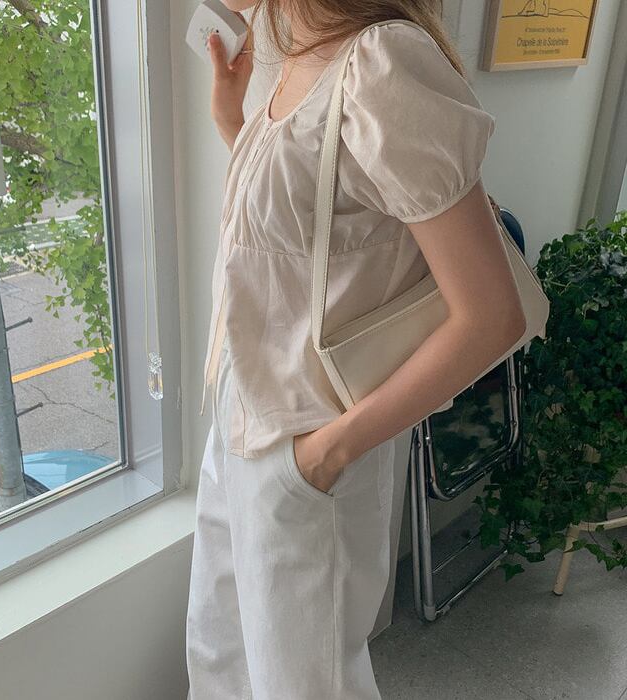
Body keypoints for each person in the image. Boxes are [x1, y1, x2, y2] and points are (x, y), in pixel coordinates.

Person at [185, 2, 526, 699]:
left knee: (301, 685)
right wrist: (232, 121)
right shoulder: (294, 56)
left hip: (307, 440)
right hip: (242, 416)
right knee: (221, 658)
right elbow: (303, 235)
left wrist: (324, 455)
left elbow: (491, 317)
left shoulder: (380, 62)